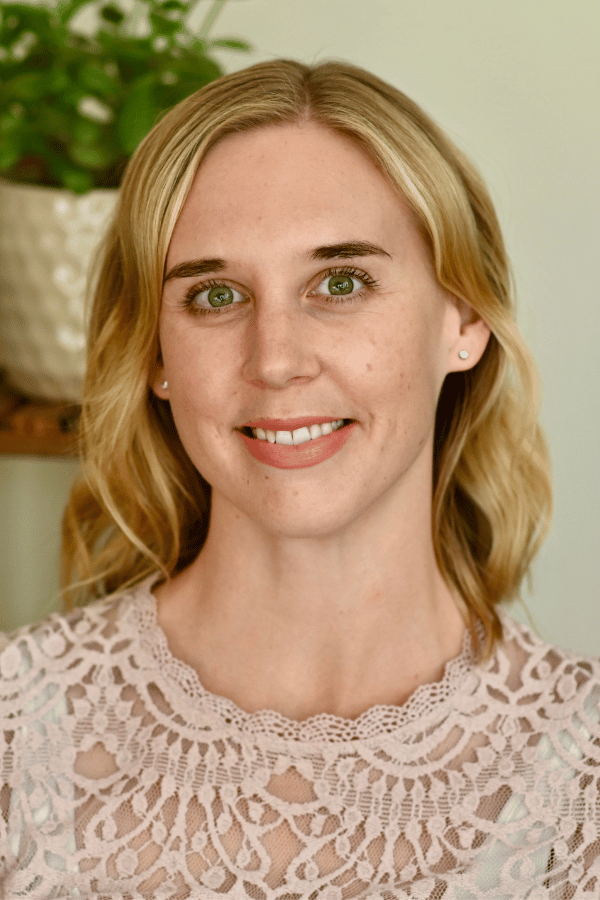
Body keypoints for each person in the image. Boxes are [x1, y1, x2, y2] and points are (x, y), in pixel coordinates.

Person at [0, 57, 598, 899]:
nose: (275, 361)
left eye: (341, 283)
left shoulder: (585, 777)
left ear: (462, 320)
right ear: (156, 358)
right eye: (214, 297)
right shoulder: (14, 735)